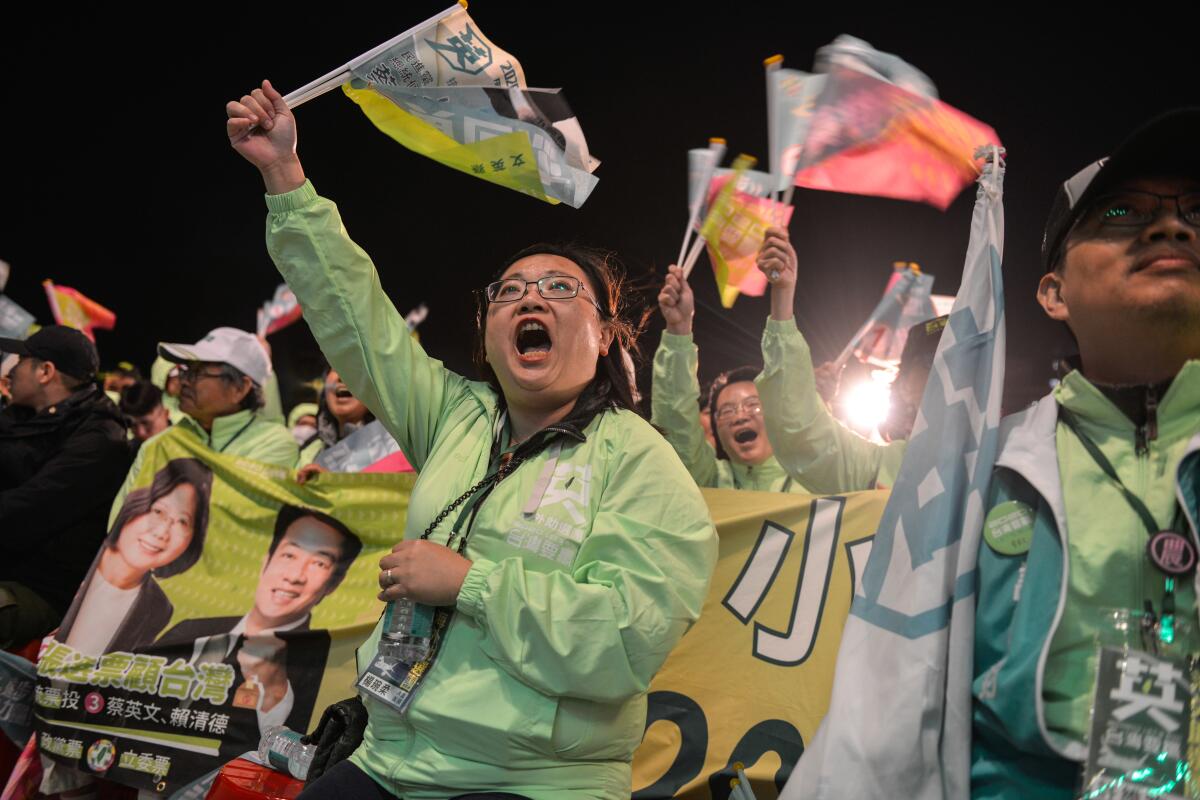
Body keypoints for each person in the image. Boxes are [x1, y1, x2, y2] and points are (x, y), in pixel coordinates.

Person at [228, 79, 716, 799]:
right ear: (488, 334)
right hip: (391, 756)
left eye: (559, 289)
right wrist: (284, 176)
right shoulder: (455, 416)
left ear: (608, 336)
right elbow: (355, 316)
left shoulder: (642, 463)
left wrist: (471, 583)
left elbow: (622, 642)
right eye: (510, 290)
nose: (528, 297)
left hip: (535, 780)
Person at [971, 109, 1200, 798]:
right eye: (1123, 212)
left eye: (1197, 212)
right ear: (1053, 292)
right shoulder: (982, 464)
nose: (1172, 227)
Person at [755, 226, 940, 492]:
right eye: (931, 360)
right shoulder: (878, 467)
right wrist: (783, 296)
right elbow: (801, 434)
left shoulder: (1009, 453)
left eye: (967, 357)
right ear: (907, 386)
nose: (950, 369)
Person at [157, 505, 362, 739]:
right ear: (266, 560)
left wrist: (275, 694)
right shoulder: (191, 629)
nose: (295, 576)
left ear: (333, 584)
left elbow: (310, 749)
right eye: (289, 555)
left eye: (319, 564)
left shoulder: (329, 663)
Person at [0, 326, 131, 646]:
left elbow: (27, 510)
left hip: (37, 588)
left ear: (45, 371)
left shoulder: (101, 440)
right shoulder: (21, 416)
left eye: (21, 360)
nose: (11, 370)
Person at [653, 264, 813, 493]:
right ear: (717, 430)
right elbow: (676, 419)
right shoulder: (710, 481)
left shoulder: (814, 480)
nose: (740, 417)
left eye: (752, 405)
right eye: (726, 411)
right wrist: (678, 331)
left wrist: (783, 297)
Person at [111, 327, 299, 516]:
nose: (184, 382)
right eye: (185, 372)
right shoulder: (159, 445)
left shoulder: (274, 445)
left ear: (239, 389)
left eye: (197, 373)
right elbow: (121, 525)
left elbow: (238, 522)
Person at [56, 458, 213, 654]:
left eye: (182, 521)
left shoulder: (159, 607)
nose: (162, 532)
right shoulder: (78, 559)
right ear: (136, 502)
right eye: (158, 511)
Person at [297, 368, 376, 466]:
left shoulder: (395, 445)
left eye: (356, 366)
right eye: (335, 367)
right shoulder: (310, 450)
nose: (342, 377)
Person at [119, 379, 171, 447]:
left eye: (146, 423)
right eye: (132, 425)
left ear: (165, 414)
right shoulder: (125, 453)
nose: (140, 432)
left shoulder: (186, 447)